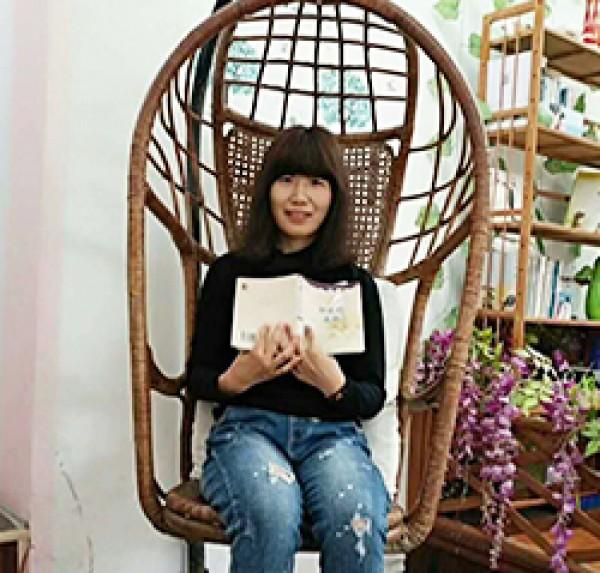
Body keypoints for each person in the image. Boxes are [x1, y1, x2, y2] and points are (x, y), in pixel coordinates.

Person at [186, 125, 389, 573]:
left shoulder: (355, 284)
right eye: (286, 180)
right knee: (272, 514)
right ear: (267, 189)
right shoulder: (230, 273)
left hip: (333, 436)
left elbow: (372, 394)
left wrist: (333, 383)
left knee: (354, 516)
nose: (300, 197)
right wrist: (238, 378)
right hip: (248, 431)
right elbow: (198, 377)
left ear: (334, 196)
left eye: (316, 182)